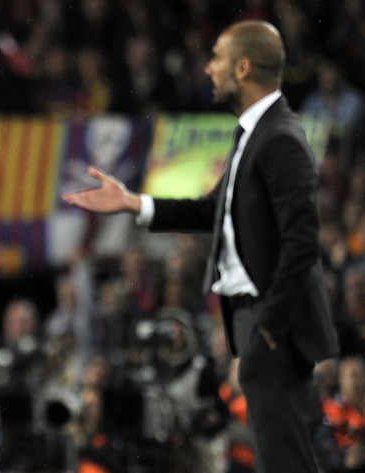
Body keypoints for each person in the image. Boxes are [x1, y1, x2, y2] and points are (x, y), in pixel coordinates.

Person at [63, 20, 339, 473]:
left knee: (285, 458)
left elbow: (303, 243)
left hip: (273, 325)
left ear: (244, 68)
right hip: (257, 321)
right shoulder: (252, 134)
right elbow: (211, 211)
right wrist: (133, 202)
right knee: (281, 456)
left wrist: (271, 323)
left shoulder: (281, 139)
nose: (208, 69)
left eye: (217, 59)